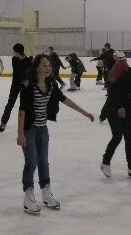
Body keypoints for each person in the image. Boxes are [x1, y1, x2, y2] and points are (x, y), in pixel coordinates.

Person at [17, 54, 94, 215]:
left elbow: (64, 99)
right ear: (37, 66)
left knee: (44, 162)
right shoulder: (28, 84)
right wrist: (20, 134)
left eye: (49, 66)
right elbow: (22, 110)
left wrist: (84, 112)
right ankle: (28, 195)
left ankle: (46, 192)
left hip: (42, 129)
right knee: (31, 162)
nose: (48, 68)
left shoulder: (51, 84)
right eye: (44, 65)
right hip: (29, 130)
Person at [0, 43, 33, 133]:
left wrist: (25, 84)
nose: (13, 52)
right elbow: (19, 72)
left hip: (25, 87)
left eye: (14, 51)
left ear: (17, 51)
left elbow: (29, 76)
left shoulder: (28, 62)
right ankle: (3, 122)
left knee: (24, 106)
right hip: (15, 85)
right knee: (10, 104)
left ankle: (26, 125)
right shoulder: (14, 59)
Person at [98, 50, 130, 123]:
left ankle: (103, 116)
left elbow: (113, 76)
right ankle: (104, 116)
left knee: (111, 102)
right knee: (113, 102)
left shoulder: (118, 63)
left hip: (115, 86)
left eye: (114, 56)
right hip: (117, 87)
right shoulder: (122, 64)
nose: (113, 57)